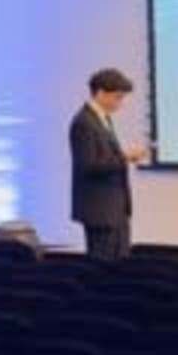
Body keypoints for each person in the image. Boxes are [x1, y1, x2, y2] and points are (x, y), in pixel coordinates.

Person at [67, 67, 138, 260]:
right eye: (117, 97)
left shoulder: (103, 119)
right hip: (99, 210)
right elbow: (89, 165)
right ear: (100, 93)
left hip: (115, 208)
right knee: (102, 265)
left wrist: (122, 157)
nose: (120, 103)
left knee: (121, 262)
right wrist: (124, 157)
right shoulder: (84, 122)